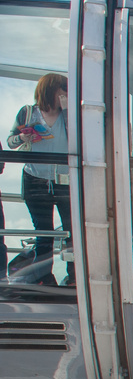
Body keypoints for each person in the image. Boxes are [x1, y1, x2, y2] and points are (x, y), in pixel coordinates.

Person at [6, 72, 72, 284]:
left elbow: (80, 139)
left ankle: (73, 276)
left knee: (72, 230)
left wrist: (69, 111)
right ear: (52, 89)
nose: (67, 93)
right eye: (64, 88)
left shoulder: (68, 115)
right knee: (44, 232)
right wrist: (23, 137)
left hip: (64, 180)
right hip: (35, 179)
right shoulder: (28, 113)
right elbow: (10, 142)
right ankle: (44, 277)